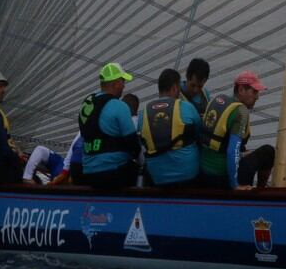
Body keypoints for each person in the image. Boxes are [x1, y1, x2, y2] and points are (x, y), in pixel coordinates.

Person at [199, 71, 273, 190]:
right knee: (268, 152)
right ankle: (261, 192)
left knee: (246, 151)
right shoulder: (241, 112)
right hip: (222, 178)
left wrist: (242, 154)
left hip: (204, 173)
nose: (257, 97)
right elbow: (231, 152)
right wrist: (235, 186)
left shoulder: (217, 99)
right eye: (254, 91)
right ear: (241, 89)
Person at [77, 62, 141, 191]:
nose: (124, 85)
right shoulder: (119, 106)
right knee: (137, 171)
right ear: (116, 83)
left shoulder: (87, 103)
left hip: (87, 170)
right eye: (123, 81)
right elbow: (133, 144)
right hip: (113, 172)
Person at [140, 68, 201, 188]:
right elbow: (199, 134)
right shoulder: (187, 107)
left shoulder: (143, 113)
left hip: (157, 177)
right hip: (187, 175)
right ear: (175, 88)